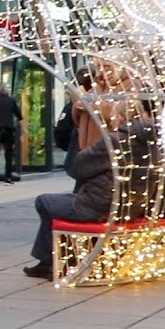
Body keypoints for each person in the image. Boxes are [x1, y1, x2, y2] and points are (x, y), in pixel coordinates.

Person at [24, 101, 157, 279]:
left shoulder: (115, 141)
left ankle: (52, 262)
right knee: (61, 202)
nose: (112, 122)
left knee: (44, 202)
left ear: (120, 117)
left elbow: (77, 167)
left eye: (113, 117)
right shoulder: (152, 143)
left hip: (100, 206)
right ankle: (51, 261)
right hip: (132, 207)